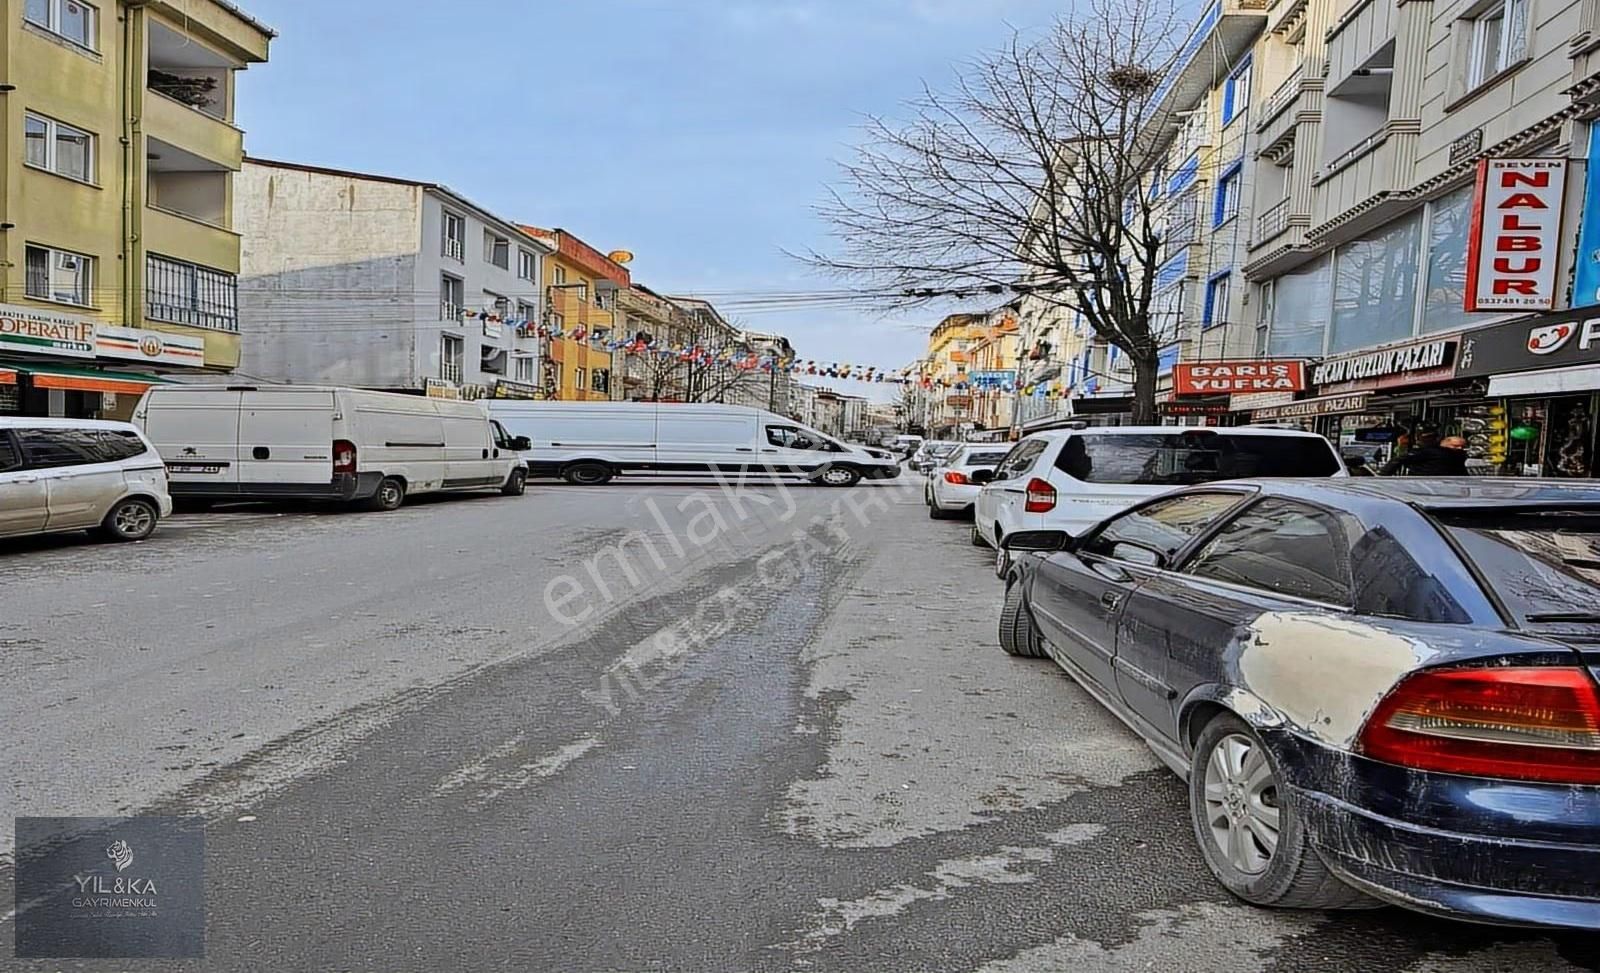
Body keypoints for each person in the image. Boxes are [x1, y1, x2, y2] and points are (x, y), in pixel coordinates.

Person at [1379, 428, 1467, 476]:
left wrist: (1383, 476)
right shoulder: (1431, 452)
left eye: (1462, 447)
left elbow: (1399, 459)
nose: (1459, 449)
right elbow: (1400, 459)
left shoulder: (1430, 452)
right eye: (1456, 446)